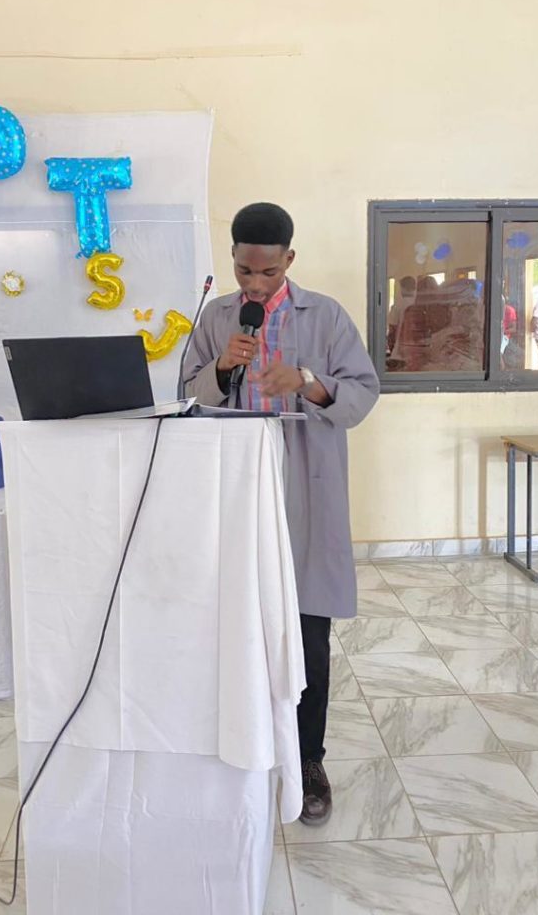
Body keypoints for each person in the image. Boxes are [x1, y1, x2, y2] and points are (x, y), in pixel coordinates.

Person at [183, 202, 379, 827]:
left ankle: (309, 758)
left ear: (289, 260)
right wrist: (222, 368)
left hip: (303, 485)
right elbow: (186, 393)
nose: (256, 285)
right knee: (234, 624)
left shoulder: (327, 315)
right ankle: (237, 747)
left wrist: (308, 382)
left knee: (306, 631)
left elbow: (364, 393)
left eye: (268, 272)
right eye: (245, 271)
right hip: (234, 486)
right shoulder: (216, 318)